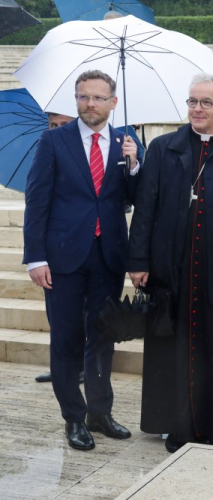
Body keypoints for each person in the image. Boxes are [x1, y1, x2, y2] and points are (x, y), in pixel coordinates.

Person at [127, 73, 213, 453]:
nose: (197, 109)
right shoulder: (164, 149)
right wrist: (138, 260)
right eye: (192, 102)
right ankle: (175, 423)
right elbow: (145, 208)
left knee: (212, 345)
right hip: (169, 265)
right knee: (171, 344)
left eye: (205, 103)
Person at [23, 70, 140, 451]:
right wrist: (35, 257)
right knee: (66, 340)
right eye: (83, 97)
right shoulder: (53, 140)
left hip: (108, 256)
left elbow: (138, 197)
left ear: (113, 103)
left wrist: (135, 165)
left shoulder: (127, 141)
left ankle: (100, 413)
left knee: (104, 337)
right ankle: (74, 418)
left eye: (98, 98)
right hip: (62, 258)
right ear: (76, 100)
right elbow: (37, 201)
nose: (90, 104)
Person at [34, 112, 86, 386]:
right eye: (52, 125)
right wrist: (35, 256)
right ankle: (63, 368)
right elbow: (36, 203)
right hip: (59, 249)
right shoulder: (48, 148)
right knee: (59, 317)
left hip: (93, 249)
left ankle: (84, 368)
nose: (56, 130)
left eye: (63, 125)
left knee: (88, 317)